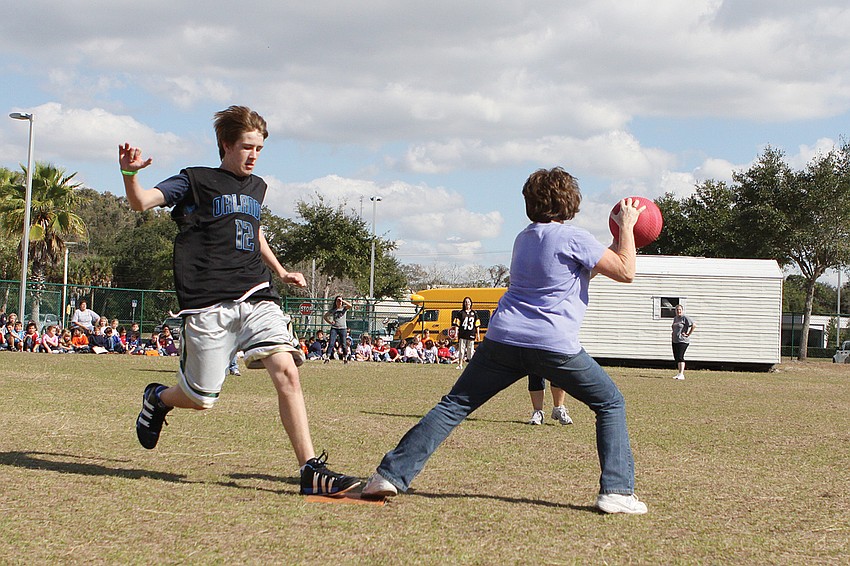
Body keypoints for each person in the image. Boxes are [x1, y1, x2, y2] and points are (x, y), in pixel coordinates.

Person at [362, 168, 649, 514]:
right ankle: (617, 491)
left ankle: (388, 475)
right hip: (551, 343)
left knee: (454, 405)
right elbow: (626, 271)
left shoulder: (524, 238)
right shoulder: (575, 237)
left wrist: (620, 239)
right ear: (569, 202)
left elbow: (595, 264)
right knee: (610, 403)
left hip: (503, 339)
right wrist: (629, 226)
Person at [119, 104, 357, 496]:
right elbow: (141, 203)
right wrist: (130, 174)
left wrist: (280, 272)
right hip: (208, 302)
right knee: (200, 399)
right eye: (247, 146)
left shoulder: (257, 187)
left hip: (256, 293)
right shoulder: (194, 180)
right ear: (226, 144)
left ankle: (310, 470)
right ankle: (158, 398)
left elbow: (253, 230)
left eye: (260, 148)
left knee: (287, 370)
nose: (254, 155)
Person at [451, 297, 480, 369]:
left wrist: (478, 334)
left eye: (468, 302)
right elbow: (457, 324)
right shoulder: (461, 313)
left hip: (471, 334)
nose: (467, 303)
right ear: (464, 303)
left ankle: (471, 365)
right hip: (463, 334)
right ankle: (460, 364)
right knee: (461, 350)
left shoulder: (474, 313)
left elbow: (477, 325)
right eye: (466, 302)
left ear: (471, 303)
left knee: (470, 351)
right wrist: (456, 333)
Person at [323, 296, 352, 363]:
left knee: (344, 344)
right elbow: (325, 316)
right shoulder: (333, 310)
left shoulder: (344, 308)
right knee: (331, 343)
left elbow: (350, 305)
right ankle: (327, 357)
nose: (339, 302)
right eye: (337, 301)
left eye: (340, 301)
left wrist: (343, 300)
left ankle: (345, 357)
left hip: (343, 328)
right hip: (335, 328)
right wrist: (330, 322)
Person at [671, 304, 695, 380]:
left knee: (680, 356)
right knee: (677, 357)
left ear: (682, 310)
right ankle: (679, 373)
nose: (678, 311)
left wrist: (688, 334)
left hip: (683, 341)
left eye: (679, 310)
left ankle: (682, 374)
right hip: (675, 340)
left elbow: (694, 325)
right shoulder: (675, 318)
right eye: (677, 310)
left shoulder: (685, 318)